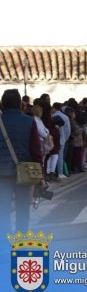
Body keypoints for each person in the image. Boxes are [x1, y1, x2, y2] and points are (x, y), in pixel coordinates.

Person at [0, 89, 43, 235]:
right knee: (23, 210)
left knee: (3, 211)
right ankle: (21, 243)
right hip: (24, 173)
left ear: (2, 105)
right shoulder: (29, 121)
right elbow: (36, 150)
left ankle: (4, 242)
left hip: (2, 174)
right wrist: (40, 174)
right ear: (20, 104)